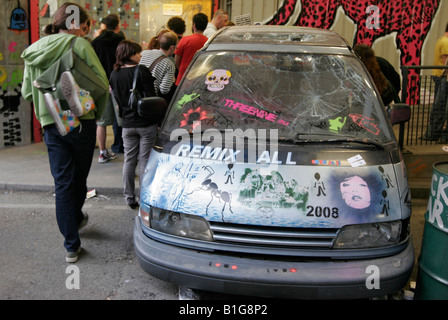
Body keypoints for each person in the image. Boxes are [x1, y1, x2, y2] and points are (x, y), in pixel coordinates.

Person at [21, 2, 108, 263]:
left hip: (52, 122)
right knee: (78, 178)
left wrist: (44, 109)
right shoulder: (79, 45)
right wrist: (96, 112)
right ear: (78, 25)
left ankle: (71, 243)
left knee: (62, 182)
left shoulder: (33, 49)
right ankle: (76, 216)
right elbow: (101, 84)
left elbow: (27, 92)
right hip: (81, 120)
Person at [109, 40, 158, 209]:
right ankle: (144, 198)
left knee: (129, 161)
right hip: (146, 123)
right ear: (130, 54)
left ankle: (129, 197)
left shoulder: (114, 74)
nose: (141, 55)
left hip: (127, 124)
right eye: (138, 52)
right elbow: (152, 97)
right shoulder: (141, 70)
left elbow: (116, 99)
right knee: (144, 160)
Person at [92, 14, 126, 162]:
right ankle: (126, 148)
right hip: (118, 82)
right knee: (122, 119)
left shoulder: (95, 42)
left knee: (102, 122)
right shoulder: (121, 41)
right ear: (117, 26)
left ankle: (102, 152)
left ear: (104, 26)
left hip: (101, 84)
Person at [422, 22, 448, 141]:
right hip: (442, 76)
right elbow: (445, 61)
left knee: (439, 105)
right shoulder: (446, 42)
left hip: (439, 75)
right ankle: (435, 132)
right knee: (440, 105)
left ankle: (433, 133)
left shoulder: (441, 40)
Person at [140, 31, 178, 104]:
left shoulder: (143, 53)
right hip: (151, 100)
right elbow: (164, 90)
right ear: (172, 47)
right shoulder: (169, 64)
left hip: (137, 95)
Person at [174, 12, 208, 86]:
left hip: (183, 80)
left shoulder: (185, 40)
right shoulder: (208, 42)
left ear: (194, 25)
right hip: (200, 80)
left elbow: (176, 60)